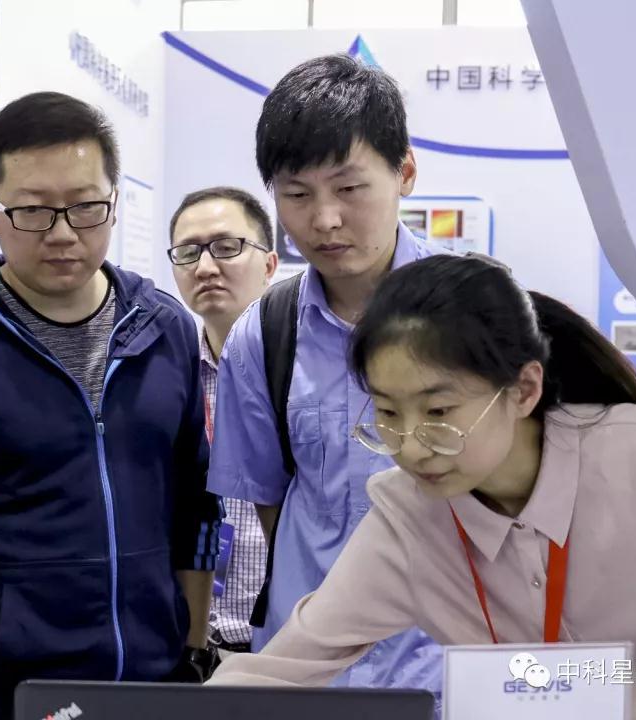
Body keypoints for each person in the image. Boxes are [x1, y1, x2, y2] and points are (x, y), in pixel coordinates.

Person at [0, 91, 222, 720]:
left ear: (114, 204)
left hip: (157, 684)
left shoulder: (165, 329)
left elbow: (196, 502)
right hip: (12, 694)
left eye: (85, 207)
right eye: (32, 211)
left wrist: (191, 650)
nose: (62, 233)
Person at [209, 253, 636, 720]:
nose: (412, 448)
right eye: (388, 412)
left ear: (523, 390)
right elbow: (285, 665)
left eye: (438, 412)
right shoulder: (409, 518)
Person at [206, 53, 442, 696]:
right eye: (297, 194)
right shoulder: (263, 334)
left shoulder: (477, 315)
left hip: (439, 666)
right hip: (307, 673)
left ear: (405, 172)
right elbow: (271, 502)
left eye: (349, 188)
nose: (325, 219)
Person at [168, 187, 277, 655]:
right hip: (198, 642)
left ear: (269, 264)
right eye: (188, 252)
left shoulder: (300, 374)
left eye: (227, 247)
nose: (206, 267)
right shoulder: (169, 376)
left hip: (287, 640)